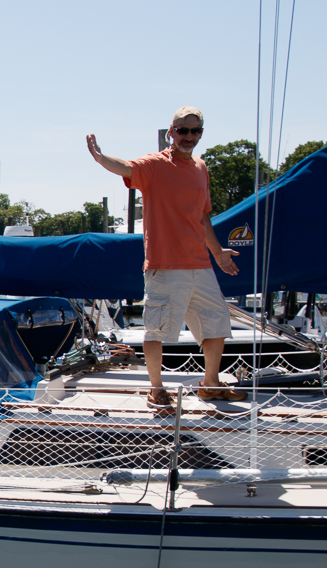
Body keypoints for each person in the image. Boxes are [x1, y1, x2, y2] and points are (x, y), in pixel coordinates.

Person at [86, 106, 247, 407]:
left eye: (195, 130)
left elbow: (203, 217)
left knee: (216, 323)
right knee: (157, 329)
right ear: (171, 132)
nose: (188, 136)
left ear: (201, 133)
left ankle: (210, 384)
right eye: (182, 130)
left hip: (200, 263)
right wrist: (101, 157)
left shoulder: (201, 167)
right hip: (165, 264)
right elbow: (126, 167)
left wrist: (218, 252)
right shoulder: (155, 165)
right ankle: (156, 388)